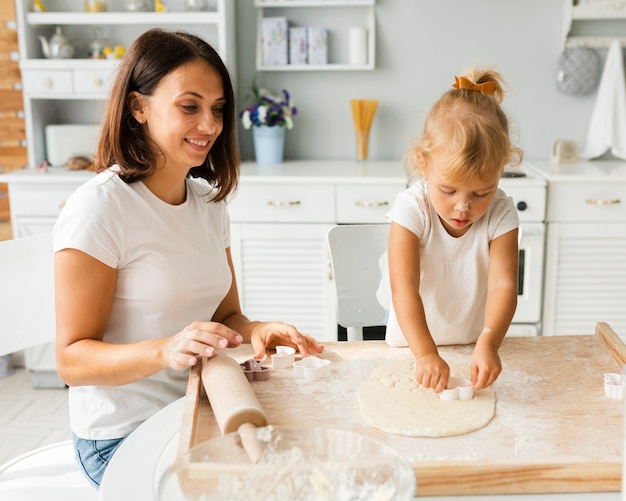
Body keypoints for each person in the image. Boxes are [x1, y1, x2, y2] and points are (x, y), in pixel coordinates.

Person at [53, 28, 324, 489]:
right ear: (138, 108)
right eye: (189, 106)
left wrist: (259, 330)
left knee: (303, 468)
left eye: (217, 109)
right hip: (120, 435)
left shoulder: (209, 203)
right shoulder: (101, 207)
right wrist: (166, 349)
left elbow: (226, 316)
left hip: (197, 407)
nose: (210, 125)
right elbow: (72, 359)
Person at [377, 68, 523, 395]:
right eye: (448, 190)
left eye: (481, 193)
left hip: (474, 348)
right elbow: (404, 288)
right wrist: (426, 353)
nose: (463, 207)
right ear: (422, 163)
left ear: (500, 172)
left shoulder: (501, 213)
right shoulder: (411, 209)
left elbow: (504, 285)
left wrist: (489, 342)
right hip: (410, 351)